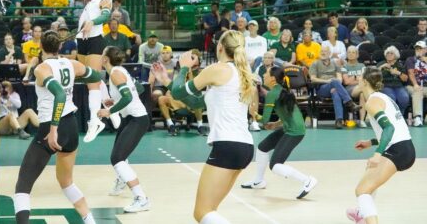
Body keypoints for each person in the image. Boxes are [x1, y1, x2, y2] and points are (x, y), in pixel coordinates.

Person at [13, 31, 103, 224]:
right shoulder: (73, 64)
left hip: (52, 127)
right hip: (72, 126)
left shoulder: (41, 69)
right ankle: (90, 220)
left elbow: (59, 95)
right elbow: (96, 76)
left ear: (40, 47)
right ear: (60, 47)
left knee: (23, 185)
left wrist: (53, 129)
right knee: (66, 182)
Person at [170, 31, 255, 223]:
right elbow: (196, 103)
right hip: (244, 147)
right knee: (211, 210)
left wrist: (183, 68)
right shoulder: (240, 72)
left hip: (227, 145)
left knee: (202, 212)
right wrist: (168, 82)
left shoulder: (218, 69)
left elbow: (178, 92)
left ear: (220, 47)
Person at [345, 67, 415, 224]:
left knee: (361, 190)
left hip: (398, 150)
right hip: (404, 147)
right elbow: (394, 130)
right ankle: (363, 213)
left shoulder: (372, 102)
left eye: (359, 76)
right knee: (369, 172)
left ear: (364, 82)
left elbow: (389, 129)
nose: (357, 79)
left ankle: (365, 215)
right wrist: (370, 142)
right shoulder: (382, 97)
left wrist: (377, 154)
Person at [241, 66, 317, 198]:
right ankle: (258, 181)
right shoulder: (281, 91)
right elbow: (288, 113)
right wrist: (276, 124)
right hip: (290, 127)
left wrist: (254, 114)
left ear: (272, 78)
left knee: (275, 165)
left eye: (265, 73)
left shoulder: (272, 94)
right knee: (262, 148)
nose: (263, 75)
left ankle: (307, 180)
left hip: (295, 132)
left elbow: (264, 120)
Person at [76, 0, 134, 142]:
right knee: (90, 79)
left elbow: (106, 15)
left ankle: (95, 122)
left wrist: (92, 22)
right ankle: (111, 108)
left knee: (93, 83)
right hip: (82, 39)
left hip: (94, 39)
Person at [98, 47, 150, 213]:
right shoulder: (120, 71)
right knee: (120, 155)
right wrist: (115, 100)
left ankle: (141, 198)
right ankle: (121, 180)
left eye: (102, 54)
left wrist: (109, 111)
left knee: (117, 158)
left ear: (106, 59)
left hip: (137, 119)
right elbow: (138, 90)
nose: (100, 56)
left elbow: (128, 96)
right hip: (130, 118)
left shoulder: (115, 73)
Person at [310, 46, 360, 129]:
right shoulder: (315, 63)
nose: (323, 53)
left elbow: (339, 78)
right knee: (334, 81)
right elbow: (313, 79)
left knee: (336, 92)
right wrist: (328, 81)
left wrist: (335, 85)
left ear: (329, 53)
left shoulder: (335, 64)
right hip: (321, 88)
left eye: (325, 51)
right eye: (321, 51)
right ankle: (350, 103)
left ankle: (339, 120)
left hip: (334, 87)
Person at [378, 46, 409, 116]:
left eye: (391, 53)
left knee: (404, 98)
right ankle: (391, 116)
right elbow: (374, 74)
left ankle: (401, 115)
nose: (389, 54)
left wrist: (398, 73)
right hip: (385, 85)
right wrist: (382, 67)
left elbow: (405, 78)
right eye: (387, 53)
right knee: (391, 97)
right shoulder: (381, 64)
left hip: (398, 86)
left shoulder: (400, 65)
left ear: (395, 55)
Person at [342, 46, 367, 128]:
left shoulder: (362, 65)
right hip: (349, 89)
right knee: (364, 89)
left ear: (357, 55)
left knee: (363, 94)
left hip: (360, 88)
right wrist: (357, 77)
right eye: (349, 52)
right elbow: (346, 82)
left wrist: (353, 78)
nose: (351, 54)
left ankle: (362, 120)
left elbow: (364, 80)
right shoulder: (344, 67)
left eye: (353, 52)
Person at [406, 41, 427, 127]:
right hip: (412, 86)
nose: (418, 50)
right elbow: (411, 73)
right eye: (417, 48)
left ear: (425, 50)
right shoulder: (410, 59)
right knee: (417, 91)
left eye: (420, 48)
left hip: (425, 86)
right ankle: (417, 117)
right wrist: (415, 84)